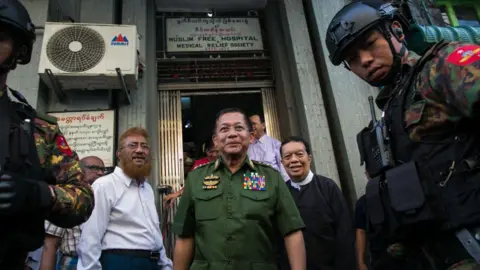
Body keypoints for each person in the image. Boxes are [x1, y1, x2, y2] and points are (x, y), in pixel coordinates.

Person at [326, 1, 480, 269]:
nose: (364, 60)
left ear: (396, 31)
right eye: (352, 58)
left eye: (370, 44)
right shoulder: (390, 112)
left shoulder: (442, 66)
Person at [0, 1, 94, 268]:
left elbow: (83, 198)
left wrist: (40, 194)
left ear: (18, 52)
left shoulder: (38, 129)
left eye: (0, 36)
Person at [173, 108, 306, 270]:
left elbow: (292, 232)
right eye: (224, 129)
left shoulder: (271, 178)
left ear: (251, 137)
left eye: (239, 128)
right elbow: (184, 237)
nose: (232, 134)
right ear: (215, 140)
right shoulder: (195, 179)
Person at [77, 127, 172, 270]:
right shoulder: (104, 185)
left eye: (144, 146)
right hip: (119, 263)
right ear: (119, 154)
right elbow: (90, 237)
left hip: (151, 263)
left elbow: (154, 232)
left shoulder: (147, 189)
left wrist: (165, 265)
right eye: (132, 145)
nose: (140, 150)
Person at [277, 136, 356, 270]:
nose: (294, 160)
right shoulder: (280, 193)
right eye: (288, 156)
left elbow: (344, 232)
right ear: (282, 162)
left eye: (299, 154)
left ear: (309, 158)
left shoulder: (327, 187)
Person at [41, 156, 105, 270]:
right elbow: (50, 244)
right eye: (94, 168)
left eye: (102, 169)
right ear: (79, 170)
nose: (100, 172)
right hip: (73, 262)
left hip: (100, 260)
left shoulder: (104, 195)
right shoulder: (68, 195)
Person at [248, 114, 289, 181]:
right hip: (253, 186)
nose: (251, 127)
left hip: (273, 184)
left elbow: (284, 171)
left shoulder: (276, 144)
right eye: (249, 125)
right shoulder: (246, 146)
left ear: (263, 125)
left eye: (253, 124)